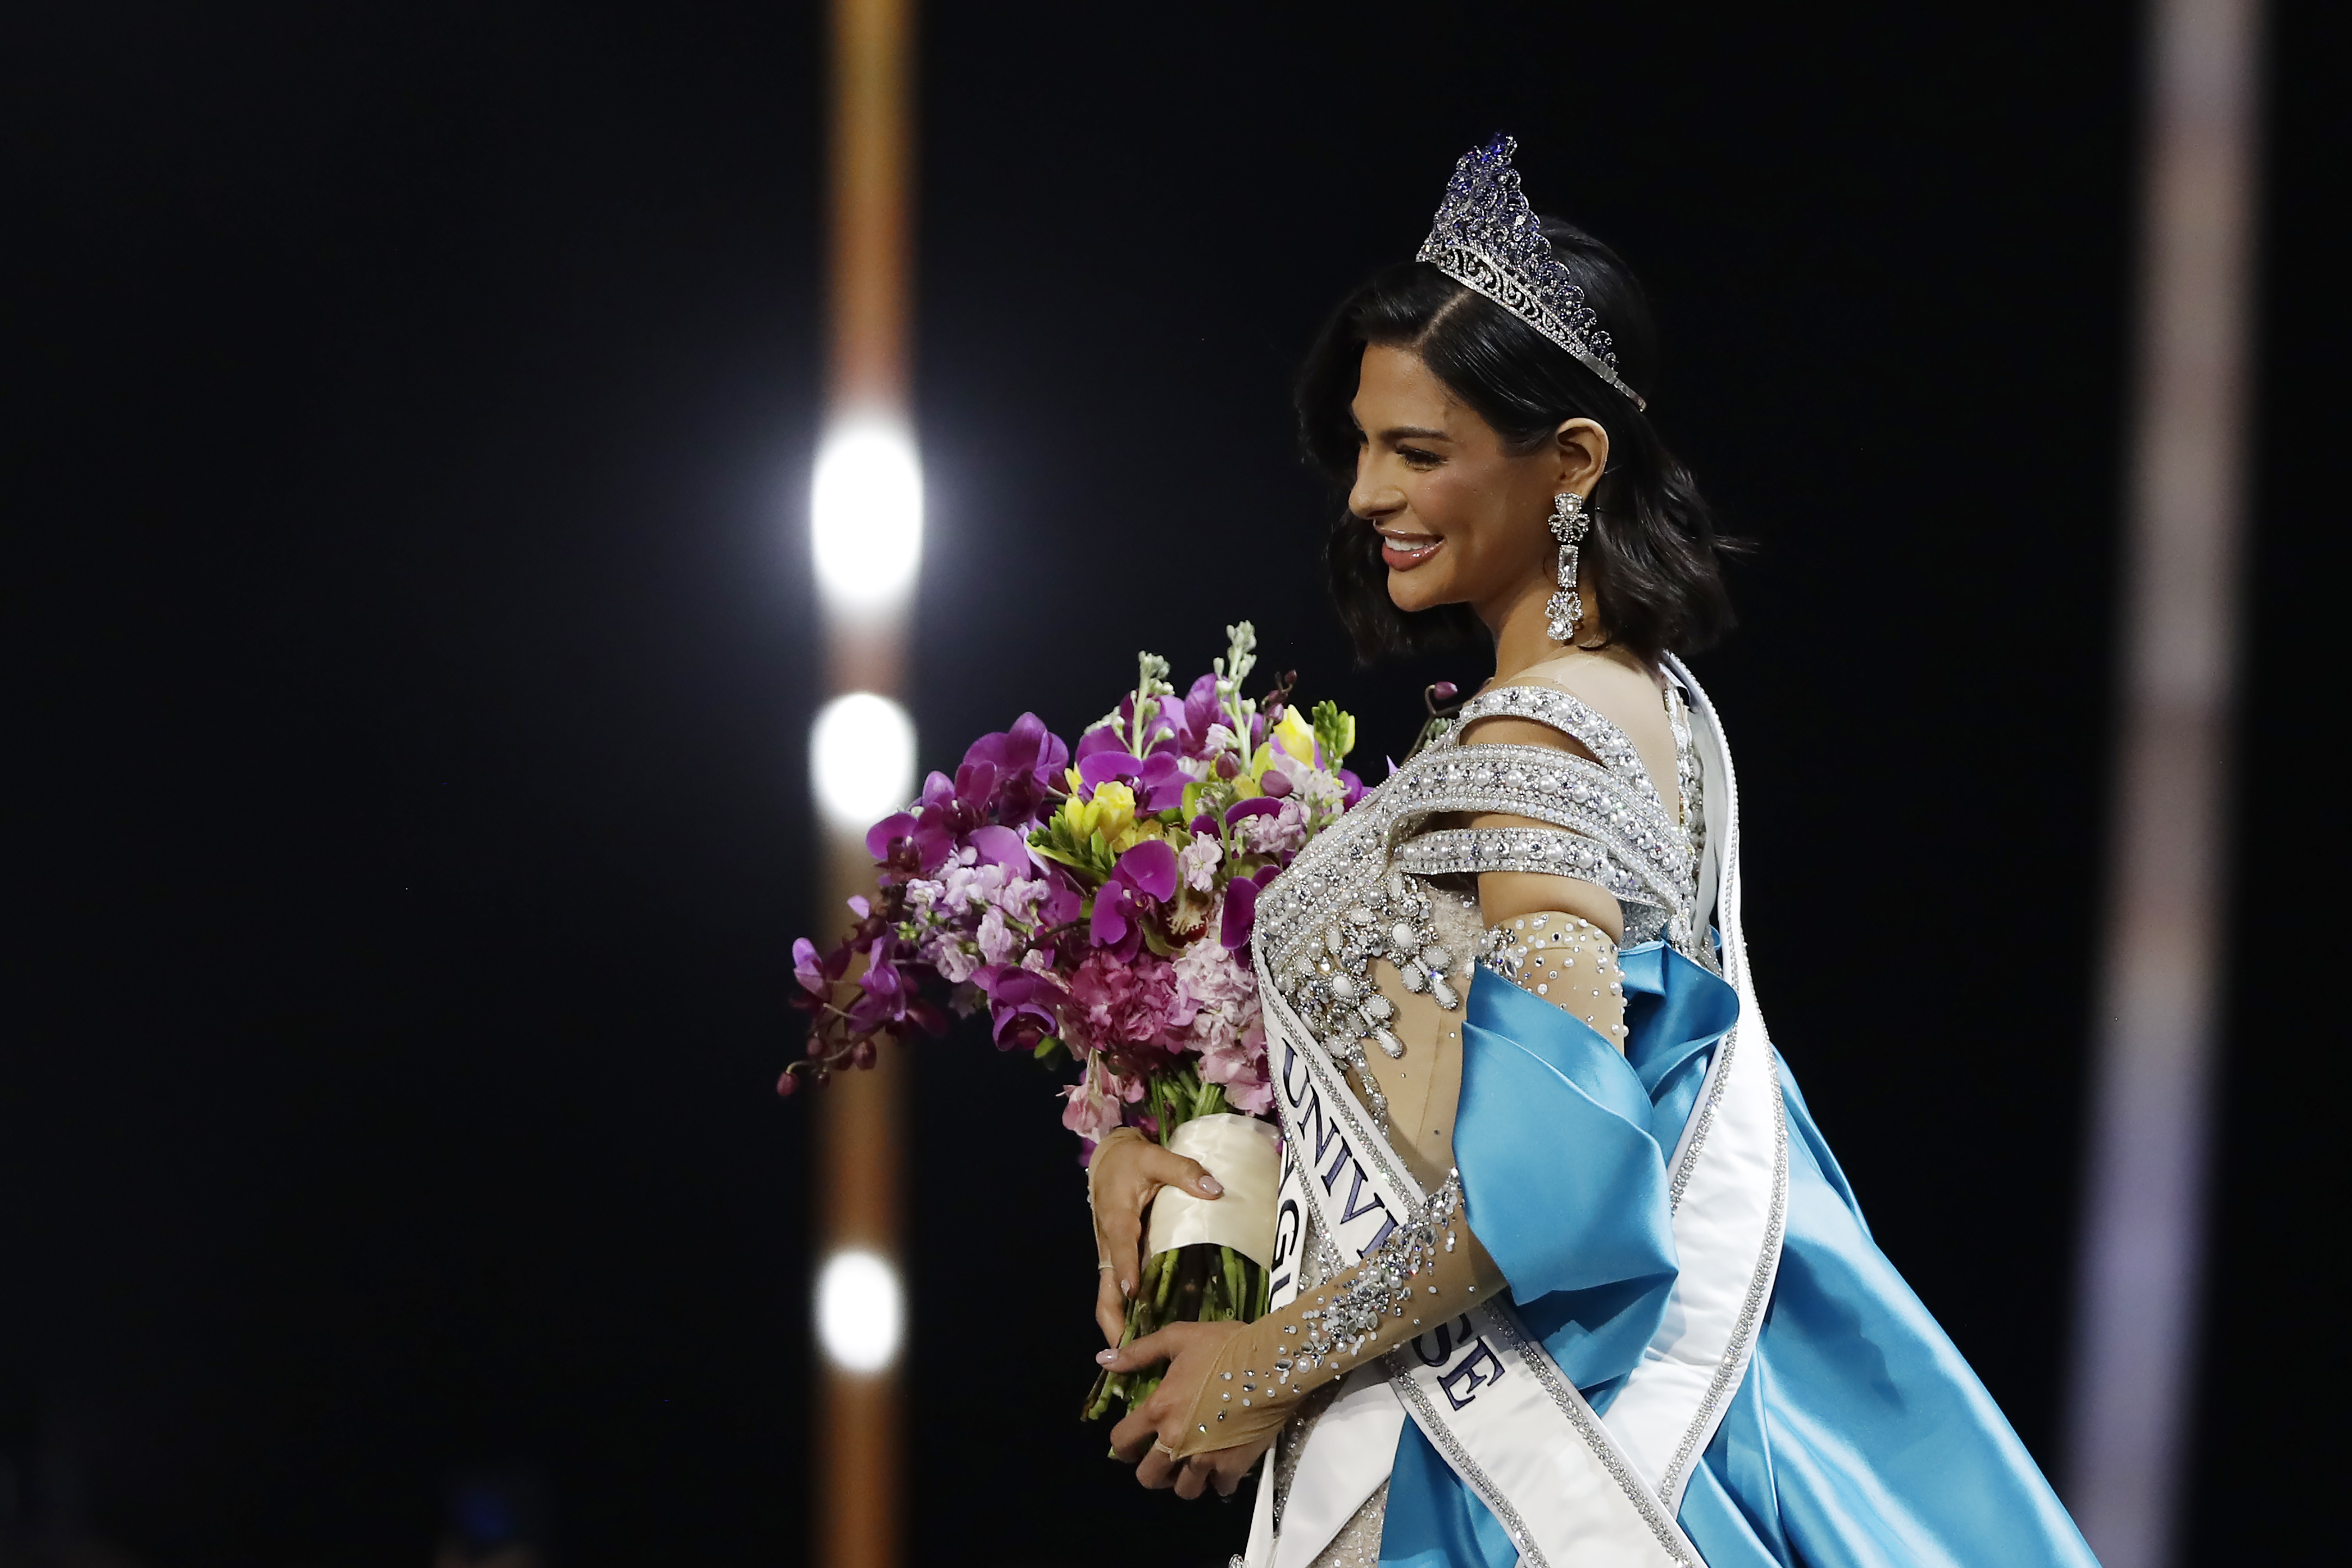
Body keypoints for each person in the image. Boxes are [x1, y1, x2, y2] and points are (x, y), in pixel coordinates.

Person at [1082, 136, 2099, 1568]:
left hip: (1529, 1474)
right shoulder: (1623, 705)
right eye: (1363, 445)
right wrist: (1185, 1151)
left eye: (1417, 452)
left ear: (1569, 465)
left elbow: (1559, 1187)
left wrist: (1267, 1362)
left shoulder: (1543, 735)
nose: (1368, 492)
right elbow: (1451, 1094)